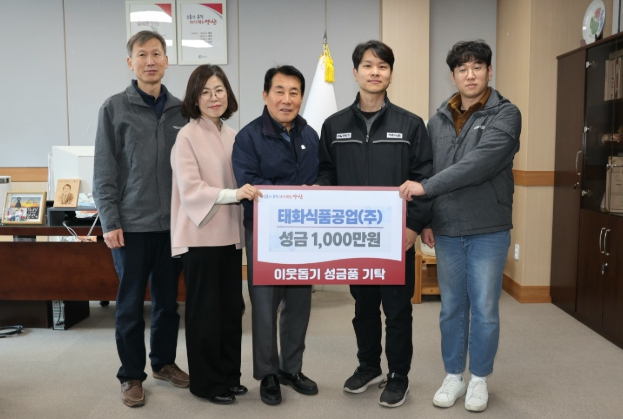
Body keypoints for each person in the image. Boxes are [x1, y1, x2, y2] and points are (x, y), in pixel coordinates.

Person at [399, 39, 521, 412]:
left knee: (484, 307)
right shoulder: (437, 120)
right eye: (462, 69)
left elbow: (479, 164)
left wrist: (425, 189)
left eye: (477, 67)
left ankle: (479, 379)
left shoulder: (506, 114)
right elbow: (428, 169)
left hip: (488, 227)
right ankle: (454, 375)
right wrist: (427, 219)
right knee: (451, 307)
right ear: (452, 75)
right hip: (447, 228)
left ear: (489, 71)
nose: (470, 75)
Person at [314, 40, 433, 408]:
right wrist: (318, 191)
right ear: (355, 72)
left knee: (397, 309)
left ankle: (398, 375)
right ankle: (369, 367)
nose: (375, 72)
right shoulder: (334, 125)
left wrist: (413, 228)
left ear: (390, 74)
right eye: (367, 65)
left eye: (382, 66)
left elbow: (424, 177)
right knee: (363, 306)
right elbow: (326, 171)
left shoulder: (410, 124)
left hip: (396, 236)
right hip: (354, 236)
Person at [93, 30, 189, 408]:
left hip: (172, 227)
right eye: (142, 54)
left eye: (157, 54)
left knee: (168, 303)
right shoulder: (114, 108)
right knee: (130, 305)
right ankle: (131, 375)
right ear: (130, 62)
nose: (151, 61)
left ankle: (163, 362)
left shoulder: (182, 110)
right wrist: (110, 220)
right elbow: (105, 171)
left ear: (167, 61)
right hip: (130, 226)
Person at [170, 64, 262, 405]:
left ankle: (228, 376)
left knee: (231, 311)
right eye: (205, 91)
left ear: (228, 94)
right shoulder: (186, 136)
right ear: (194, 98)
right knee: (205, 315)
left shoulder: (234, 135)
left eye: (219, 90)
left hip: (230, 236)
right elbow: (191, 189)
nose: (213, 97)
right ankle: (206, 383)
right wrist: (234, 194)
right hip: (201, 237)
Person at [232, 65, 319, 406]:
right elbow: (248, 181)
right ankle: (267, 374)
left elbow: (323, 175)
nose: (287, 99)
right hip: (265, 232)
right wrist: (294, 196)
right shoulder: (248, 137)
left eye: (294, 92)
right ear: (265, 95)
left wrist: (319, 189)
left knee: (299, 303)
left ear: (301, 97)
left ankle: (290, 368)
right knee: (265, 305)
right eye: (279, 91)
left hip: (304, 233)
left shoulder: (310, 135)